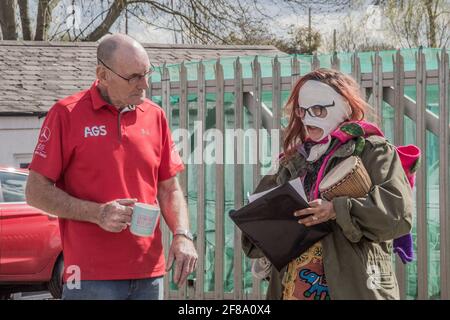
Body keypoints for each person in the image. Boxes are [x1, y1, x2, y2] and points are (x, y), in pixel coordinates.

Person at [25, 33, 198, 300]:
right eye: (134, 77)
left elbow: (169, 189)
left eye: (146, 73)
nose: (145, 85)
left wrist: (183, 235)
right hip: (90, 276)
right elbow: (35, 191)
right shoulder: (66, 114)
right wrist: (97, 213)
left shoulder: (155, 116)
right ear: (102, 75)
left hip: (149, 274)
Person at [242, 68, 414, 300]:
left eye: (319, 109)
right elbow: (256, 236)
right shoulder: (292, 161)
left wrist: (336, 210)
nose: (307, 118)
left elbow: (398, 214)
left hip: (356, 287)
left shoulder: (373, 150)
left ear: (344, 107)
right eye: (302, 111)